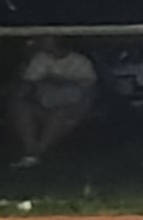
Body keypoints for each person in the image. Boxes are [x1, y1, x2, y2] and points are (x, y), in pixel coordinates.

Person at [11, 34, 98, 165]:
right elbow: (28, 83)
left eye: (46, 38)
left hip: (68, 108)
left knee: (59, 113)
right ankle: (30, 148)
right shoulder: (39, 58)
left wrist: (81, 111)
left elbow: (89, 91)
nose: (42, 41)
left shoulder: (80, 61)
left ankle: (37, 152)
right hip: (43, 105)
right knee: (20, 107)